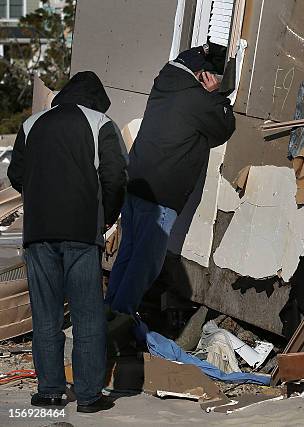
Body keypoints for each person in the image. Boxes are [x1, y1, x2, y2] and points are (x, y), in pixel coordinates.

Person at [8, 71, 128, 412]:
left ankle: (49, 392)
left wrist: (42, 195)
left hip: (38, 232)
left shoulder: (31, 125)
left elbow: (16, 175)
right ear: (96, 100)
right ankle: (89, 397)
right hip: (80, 231)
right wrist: (107, 214)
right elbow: (116, 175)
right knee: (87, 315)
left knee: (46, 316)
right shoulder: (100, 124)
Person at [105, 45, 236, 315]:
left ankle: (109, 312)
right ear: (200, 75)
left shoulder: (163, 88)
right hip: (161, 196)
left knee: (127, 254)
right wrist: (216, 96)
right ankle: (121, 319)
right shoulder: (196, 99)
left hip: (136, 184)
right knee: (146, 263)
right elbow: (223, 128)